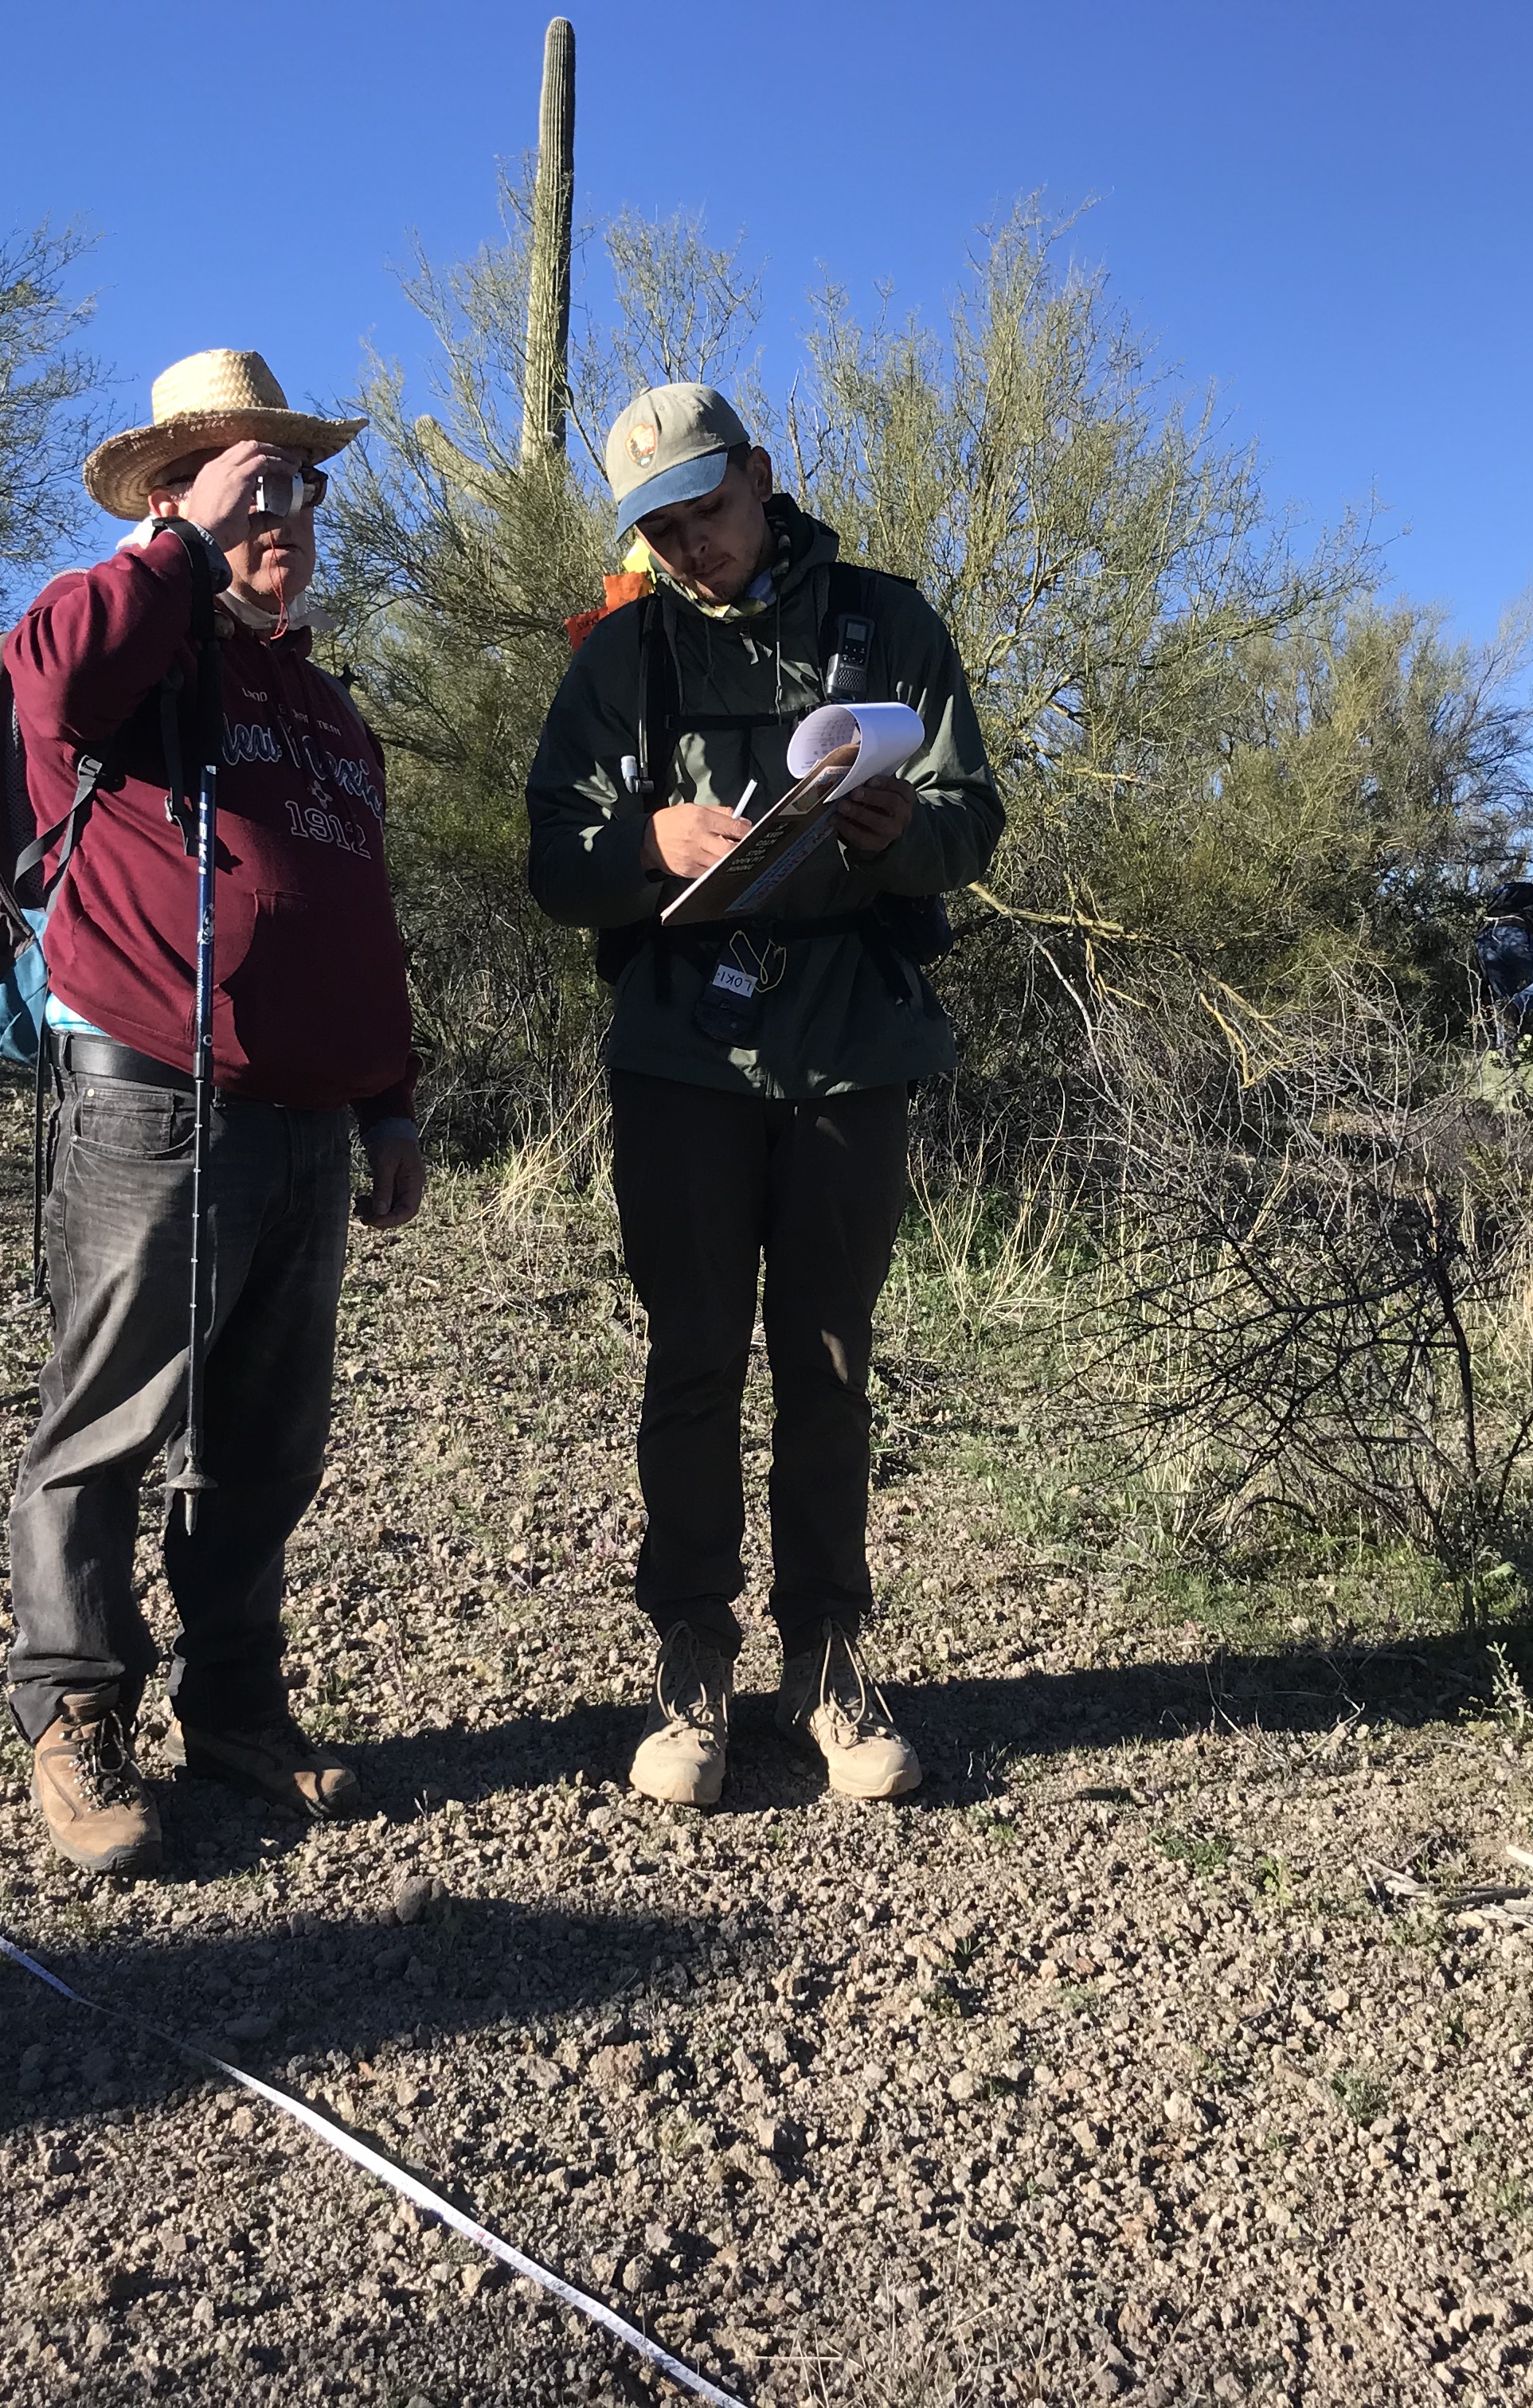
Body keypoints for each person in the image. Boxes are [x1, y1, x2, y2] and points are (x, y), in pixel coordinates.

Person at [524, 384, 1003, 1808]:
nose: (688, 547)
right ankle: (692, 1659)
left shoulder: (892, 625)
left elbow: (976, 818)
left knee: (831, 1363)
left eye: (705, 512)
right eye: (658, 529)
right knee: (691, 1359)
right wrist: (645, 842)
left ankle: (827, 1659)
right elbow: (554, 860)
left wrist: (907, 828)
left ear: (764, 477)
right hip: (682, 1059)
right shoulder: (618, 660)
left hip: (854, 1047)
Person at [0, 349, 426, 1876]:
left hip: (311, 1123)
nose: (283, 513)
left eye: (298, 486)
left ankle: (235, 1703)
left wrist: (389, 1100)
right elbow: (39, 681)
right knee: (106, 1424)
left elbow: (351, 909)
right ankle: (76, 1714)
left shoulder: (318, 699)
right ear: (170, 501)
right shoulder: (123, 647)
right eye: (249, 486)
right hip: (150, 1105)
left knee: (265, 1441)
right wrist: (176, 549)